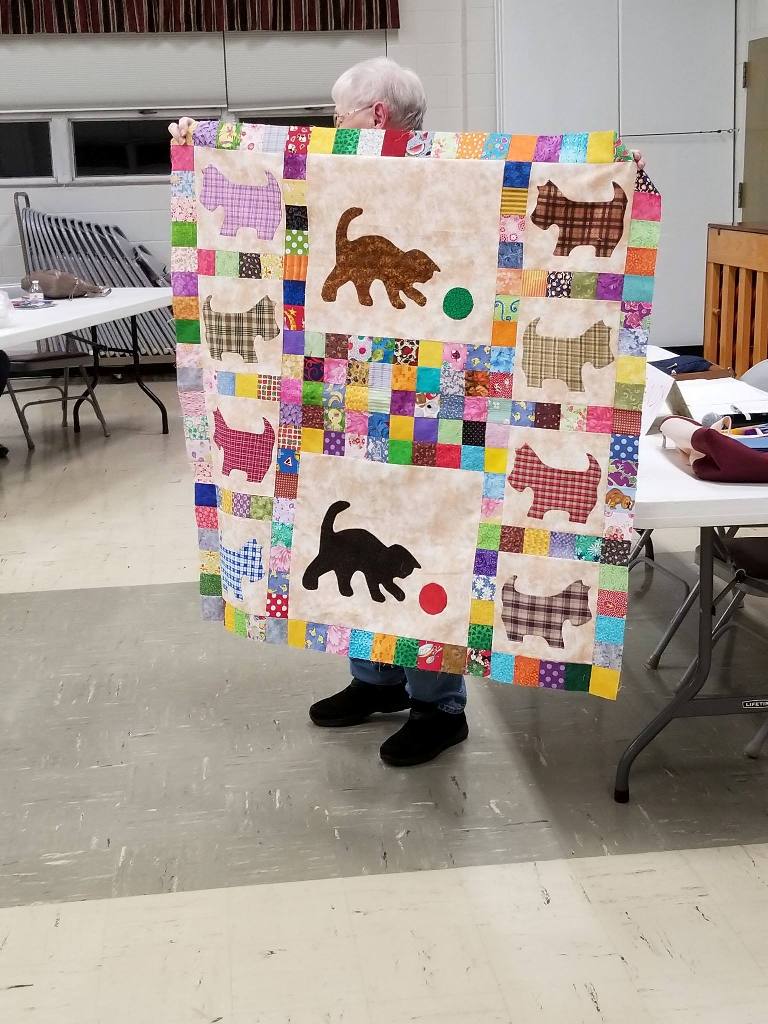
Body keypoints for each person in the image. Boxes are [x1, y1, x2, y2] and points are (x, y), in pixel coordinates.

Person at [169, 57, 645, 768]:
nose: (332, 125)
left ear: (376, 115)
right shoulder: (338, 173)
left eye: (339, 113)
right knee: (358, 534)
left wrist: (611, 167)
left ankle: (438, 706)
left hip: (448, 408)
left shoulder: (457, 171)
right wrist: (202, 143)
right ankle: (377, 681)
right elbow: (279, 182)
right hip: (348, 400)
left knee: (432, 541)